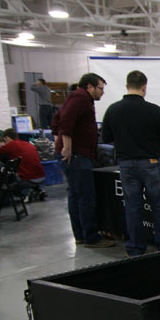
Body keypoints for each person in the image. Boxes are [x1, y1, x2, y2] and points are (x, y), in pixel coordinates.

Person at [101, 71, 160, 257]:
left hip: (126, 165)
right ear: (144, 86)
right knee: (159, 206)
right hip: (150, 164)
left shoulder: (113, 109)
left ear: (127, 86)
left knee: (133, 208)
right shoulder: (153, 110)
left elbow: (106, 138)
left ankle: (135, 249)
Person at [56, 72, 114, 248]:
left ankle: (81, 234)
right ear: (89, 86)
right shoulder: (80, 98)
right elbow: (65, 122)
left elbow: (56, 121)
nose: (102, 93)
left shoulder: (77, 98)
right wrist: (67, 147)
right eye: (100, 89)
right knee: (85, 197)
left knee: (75, 195)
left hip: (77, 155)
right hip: (77, 156)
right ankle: (91, 237)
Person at [0, 128, 46, 201]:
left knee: (8, 175)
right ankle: (36, 190)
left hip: (28, 180)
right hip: (41, 177)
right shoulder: (27, 144)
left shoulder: (11, 145)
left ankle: (25, 194)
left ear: (7, 138)